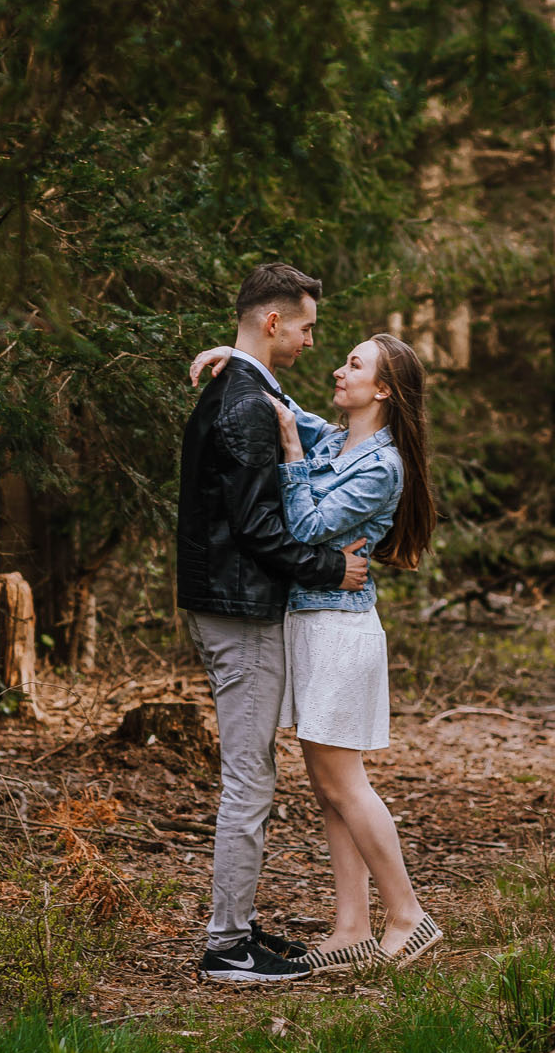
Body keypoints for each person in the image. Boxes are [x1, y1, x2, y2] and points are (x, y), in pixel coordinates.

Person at [188, 332, 442, 974]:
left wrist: (294, 456)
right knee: (328, 790)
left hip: (338, 628)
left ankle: (408, 914)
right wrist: (238, 364)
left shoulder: (381, 465)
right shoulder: (339, 438)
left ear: (382, 389)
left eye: (354, 364)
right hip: (309, 622)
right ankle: (352, 923)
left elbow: (301, 528)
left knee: (343, 782)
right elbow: (284, 411)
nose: (338, 368)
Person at [176, 263, 370, 985]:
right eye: (306, 326)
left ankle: (239, 925)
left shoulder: (243, 390)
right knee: (250, 781)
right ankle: (227, 946)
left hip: (225, 601)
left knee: (249, 774)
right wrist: (329, 567)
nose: (312, 341)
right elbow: (260, 526)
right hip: (238, 609)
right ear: (271, 322)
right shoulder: (247, 403)